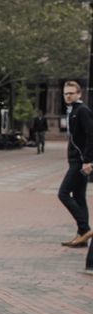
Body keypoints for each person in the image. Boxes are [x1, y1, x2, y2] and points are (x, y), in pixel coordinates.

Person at [58, 80, 93, 248]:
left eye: (71, 93)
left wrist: (87, 160)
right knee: (79, 197)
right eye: (65, 93)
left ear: (79, 94)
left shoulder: (82, 111)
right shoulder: (72, 111)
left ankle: (85, 229)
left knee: (63, 193)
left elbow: (91, 135)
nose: (68, 96)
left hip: (79, 162)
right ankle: (82, 237)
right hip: (75, 159)